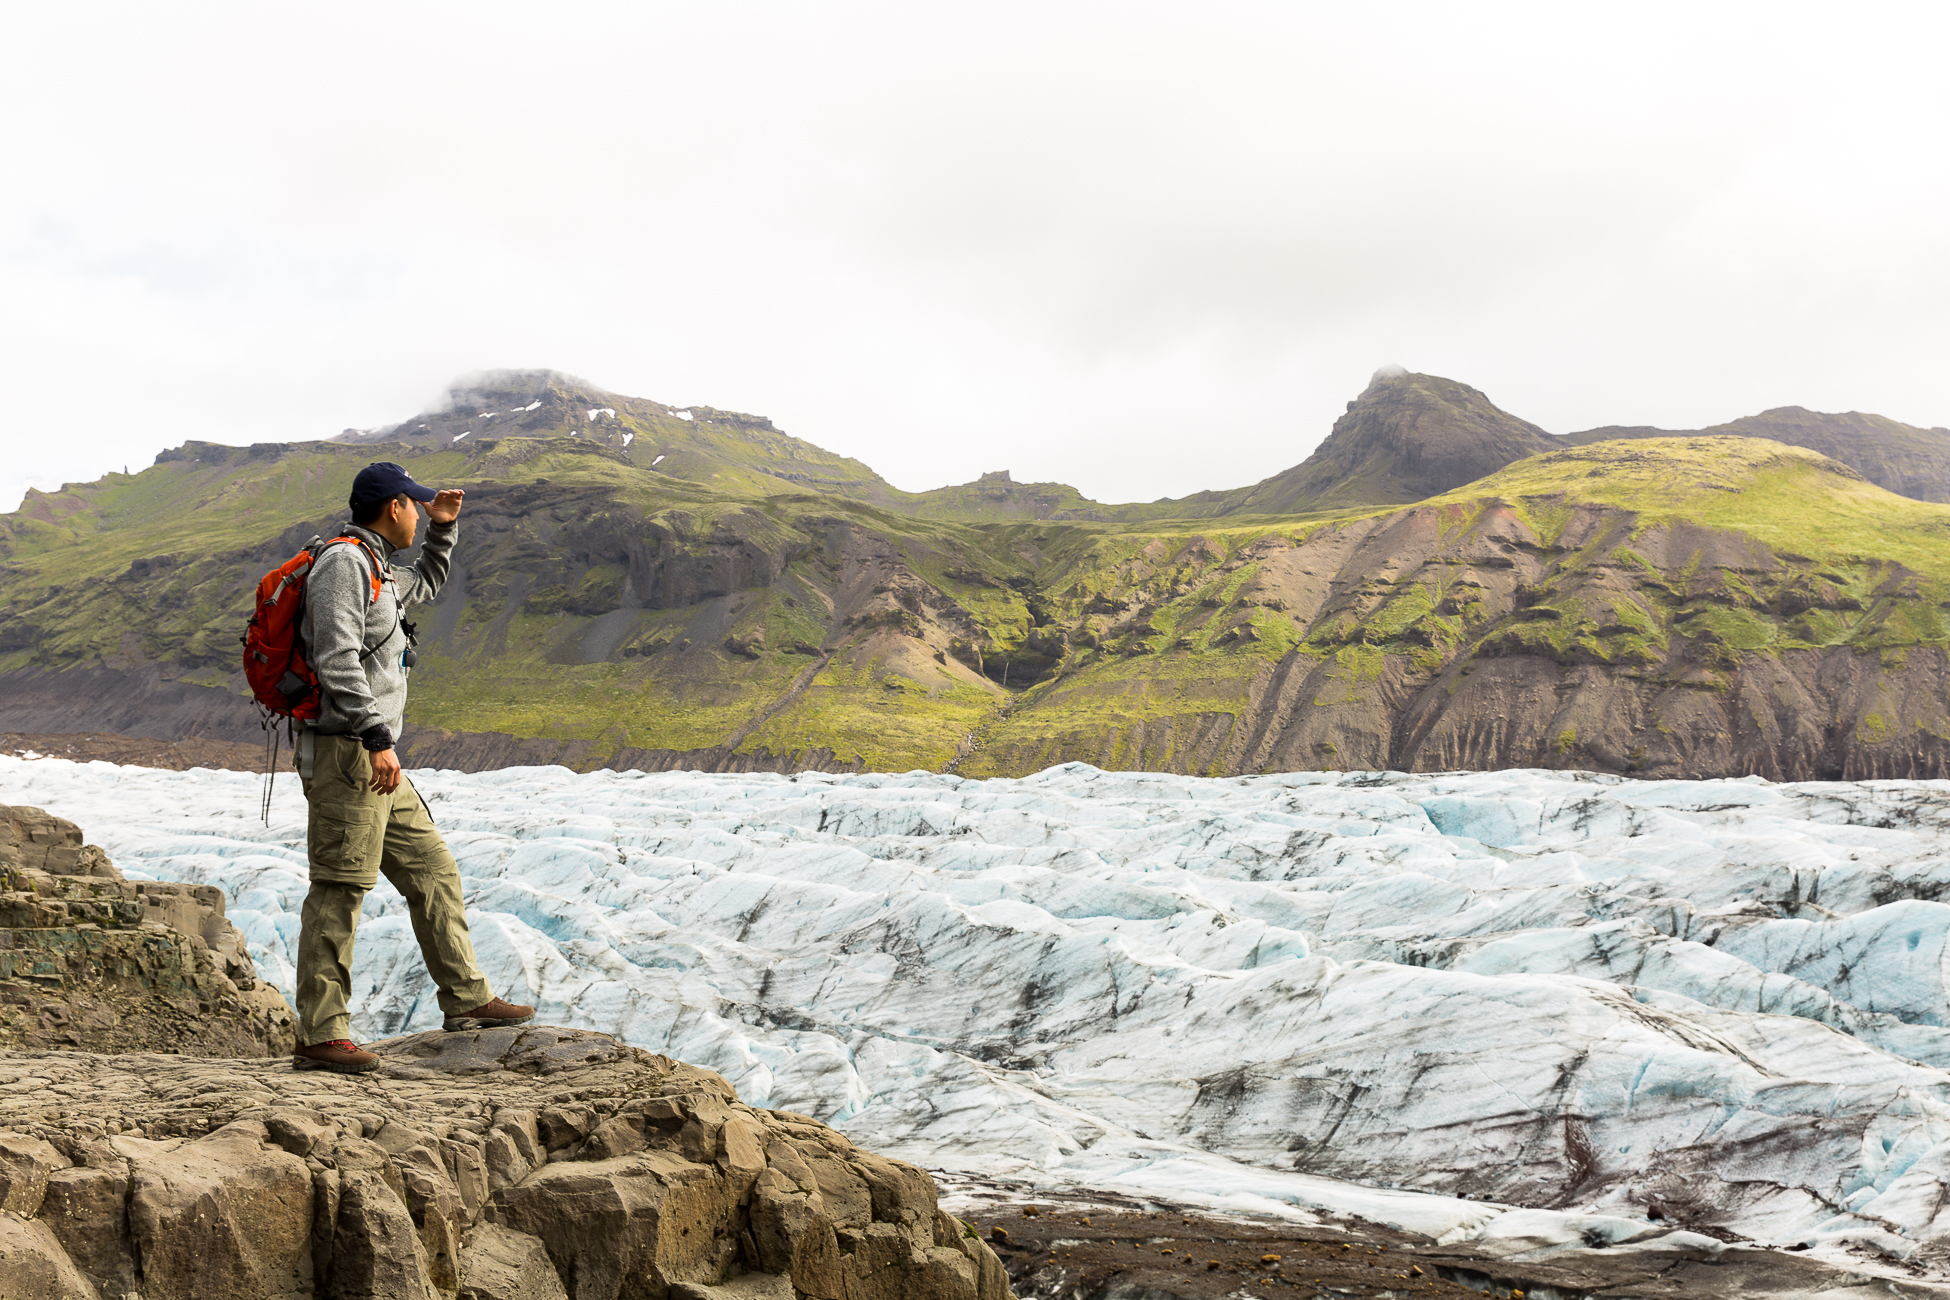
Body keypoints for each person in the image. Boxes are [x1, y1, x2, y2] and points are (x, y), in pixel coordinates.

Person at [292, 461, 533, 1073]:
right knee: (340, 886)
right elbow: (336, 654)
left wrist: (444, 530)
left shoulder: (376, 566)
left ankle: (466, 999)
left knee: (431, 867)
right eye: (415, 504)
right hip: (351, 752)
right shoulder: (344, 564)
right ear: (392, 506)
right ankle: (322, 1032)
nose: (419, 511)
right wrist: (375, 736)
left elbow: (422, 584)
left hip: (374, 756)